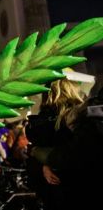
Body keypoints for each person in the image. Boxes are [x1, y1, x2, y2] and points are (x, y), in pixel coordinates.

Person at [29, 87, 103, 210]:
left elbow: (71, 154)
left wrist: (38, 153)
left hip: (72, 189)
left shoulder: (80, 119)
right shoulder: (84, 114)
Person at [26, 77, 84, 210]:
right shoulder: (82, 116)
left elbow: (32, 156)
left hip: (54, 191)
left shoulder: (42, 122)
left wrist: (43, 162)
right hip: (79, 187)